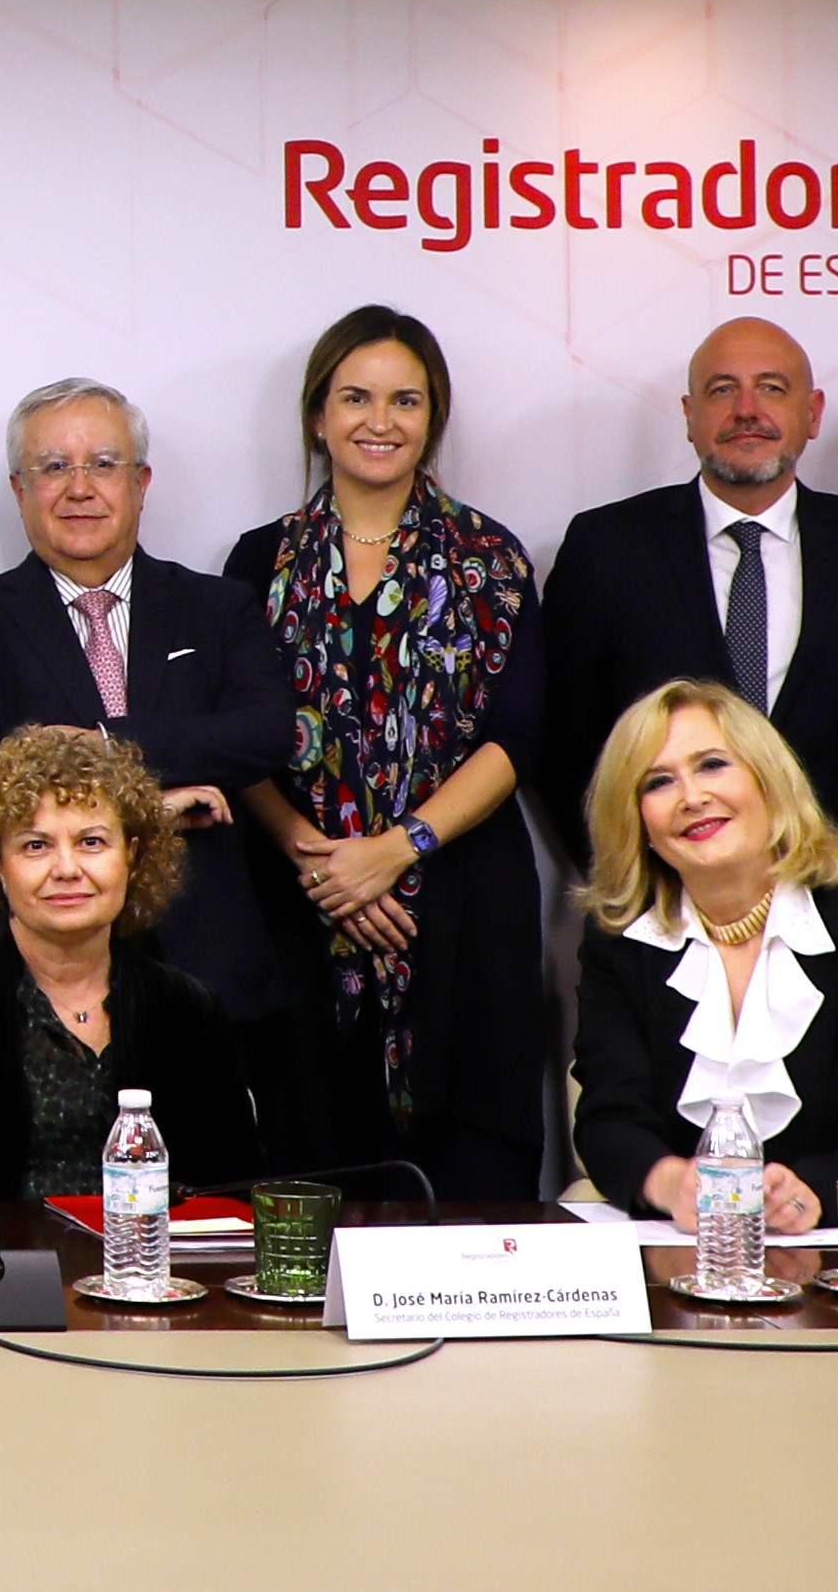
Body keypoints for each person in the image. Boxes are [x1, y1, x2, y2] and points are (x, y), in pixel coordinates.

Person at [0, 379, 310, 1145]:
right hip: (32, 984)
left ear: (141, 482)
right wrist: (138, 808)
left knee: (214, 1219)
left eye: (102, 463)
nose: (80, 488)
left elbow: (264, 733)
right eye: (53, 468)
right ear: (19, 490)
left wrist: (96, 744)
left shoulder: (218, 607)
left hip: (210, 971)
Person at [225, 306, 557, 1198]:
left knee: (470, 1198)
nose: (381, 421)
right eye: (356, 397)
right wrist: (326, 863)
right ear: (317, 416)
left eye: (405, 400)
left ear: (432, 418)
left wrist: (393, 850)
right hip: (303, 906)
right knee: (308, 1183)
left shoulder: (491, 559)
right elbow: (237, 740)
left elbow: (514, 738)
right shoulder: (262, 562)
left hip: (459, 909)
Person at [537, 315, 838, 891]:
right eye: (722, 389)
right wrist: (632, 879)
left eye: (773, 389)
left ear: (813, 413)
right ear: (689, 416)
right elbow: (565, 747)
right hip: (660, 912)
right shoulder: (605, 550)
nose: (747, 409)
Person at [565, 681, 838, 1228]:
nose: (691, 797)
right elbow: (608, 1121)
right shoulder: (621, 948)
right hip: (679, 1257)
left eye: (712, 765)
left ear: (768, 783)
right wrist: (672, 1181)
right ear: (639, 824)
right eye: (658, 782)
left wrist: (814, 1193)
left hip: (835, 1262)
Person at [0, 725, 261, 1203]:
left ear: (131, 856)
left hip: (149, 1272)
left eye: (92, 842)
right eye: (35, 845)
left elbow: (233, 1191)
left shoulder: (189, 1010)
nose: (67, 869)